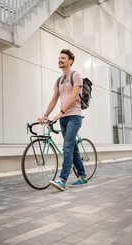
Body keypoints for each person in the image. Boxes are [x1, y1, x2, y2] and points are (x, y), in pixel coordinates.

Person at [38, 49, 87, 191]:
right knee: (72, 148)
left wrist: (60, 112)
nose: (60, 60)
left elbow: (74, 97)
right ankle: (82, 176)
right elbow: (54, 99)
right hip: (64, 119)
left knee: (67, 147)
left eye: (63, 58)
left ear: (70, 61)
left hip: (74, 117)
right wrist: (45, 115)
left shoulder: (76, 76)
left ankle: (62, 179)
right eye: (59, 58)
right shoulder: (58, 80)